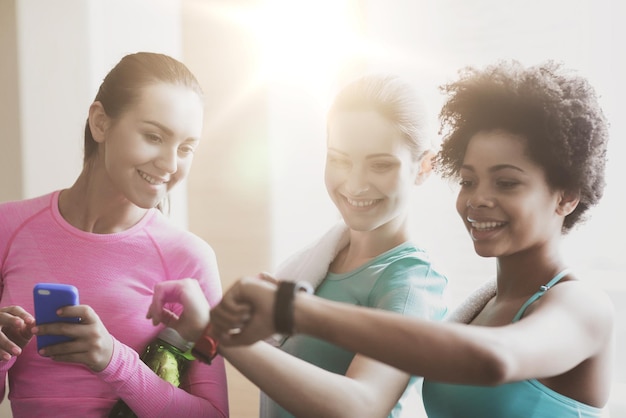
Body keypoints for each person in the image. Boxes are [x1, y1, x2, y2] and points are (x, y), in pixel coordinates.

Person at [148, 60, 613, 418]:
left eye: (507, 183)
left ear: (566, 196)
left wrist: (294, 310)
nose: (478, 200)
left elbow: (493, 362)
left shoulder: (581, 308)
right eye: (469, 181)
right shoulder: (475, 312)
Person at [156, 74, 449, 418]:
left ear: (424, 167)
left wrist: (218, 333)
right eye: (340, 159)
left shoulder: (410, 282)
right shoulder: (320, 262)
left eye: (380, 164)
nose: (355, 184)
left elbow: (362, 406)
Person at [0, 52, 228, 417]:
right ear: (100, 123)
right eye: (154, 136)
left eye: (186, 148)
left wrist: (113, 360)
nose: (170, 165)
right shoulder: (7, 228)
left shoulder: (189, 259)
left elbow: (214, 414)